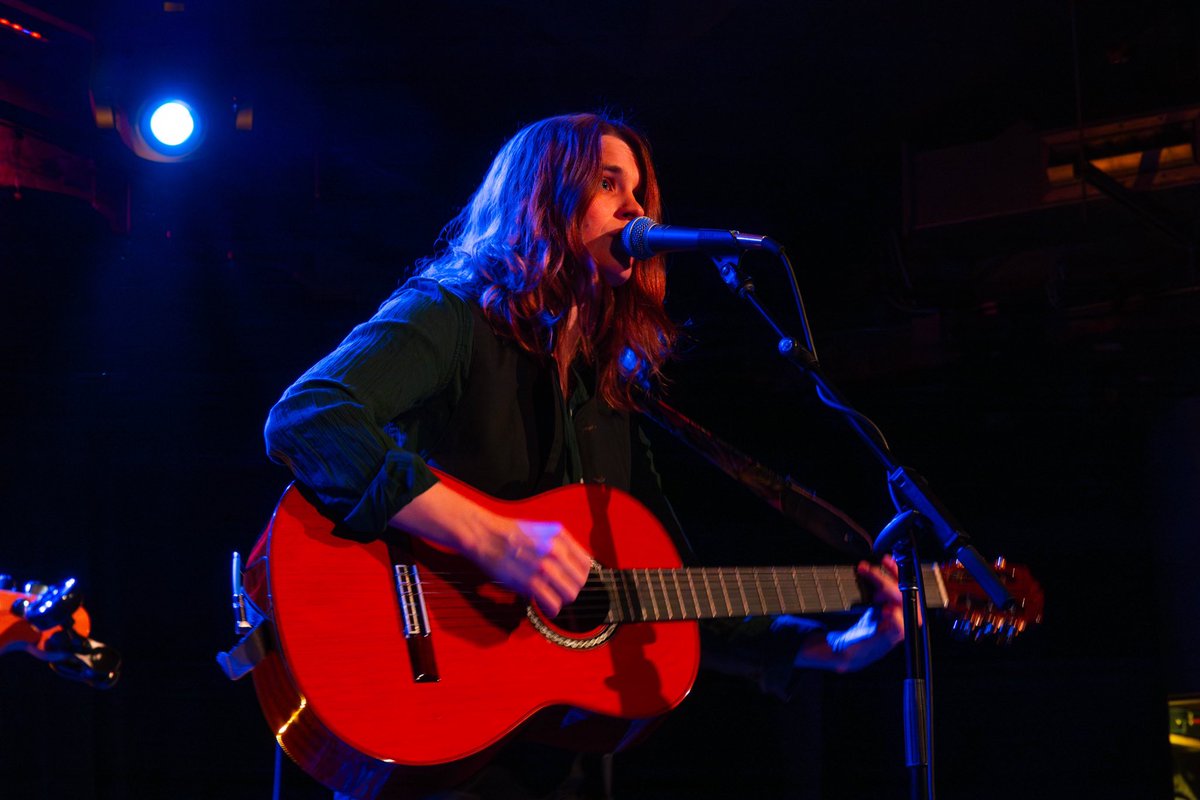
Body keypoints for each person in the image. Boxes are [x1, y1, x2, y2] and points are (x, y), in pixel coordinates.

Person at [264, 111, 905, 799]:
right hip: (423, 718)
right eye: (607, 183)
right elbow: (307, 417)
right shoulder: (450, 314)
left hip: (555, 759)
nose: (634, 207)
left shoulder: (609, 387)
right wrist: (493, 539)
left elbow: (675, 593)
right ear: (542, 198)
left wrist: (835, 649)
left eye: (639, 192)